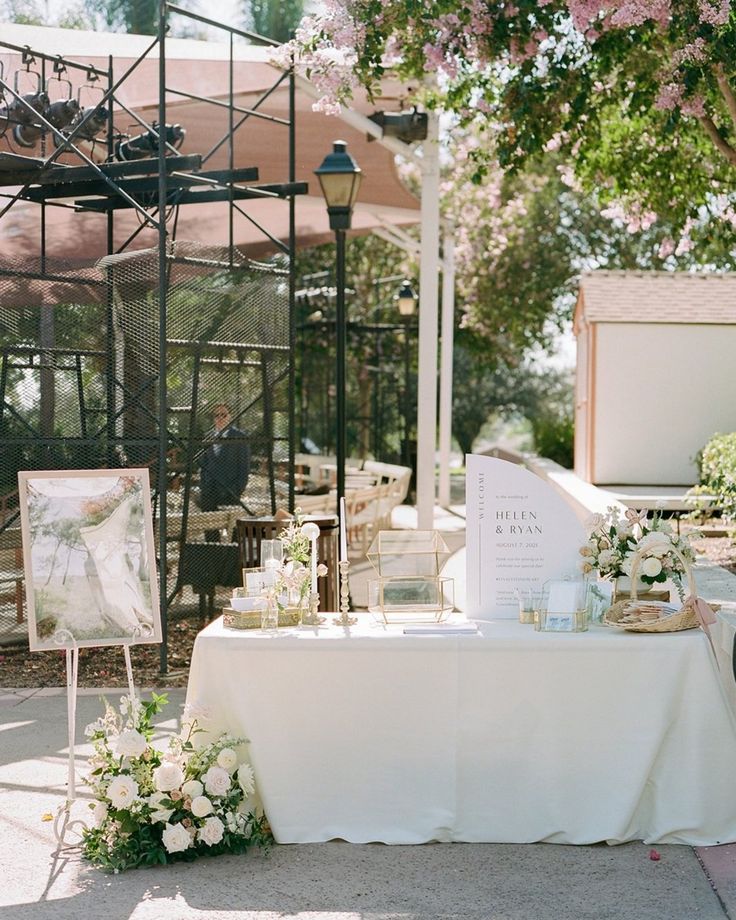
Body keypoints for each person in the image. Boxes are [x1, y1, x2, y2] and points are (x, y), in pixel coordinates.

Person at [199, 404, 250, 517]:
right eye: (217, 415)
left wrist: (237, 490)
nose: (220, 418)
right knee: (210, 528)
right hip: (209, 491)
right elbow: (203, 464)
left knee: (234, 529)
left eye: (223, 415)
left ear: (230, 417)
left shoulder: (240, 437)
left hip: (230, 492)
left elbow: (244, 468)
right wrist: (203, 486)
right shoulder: (207, 437)